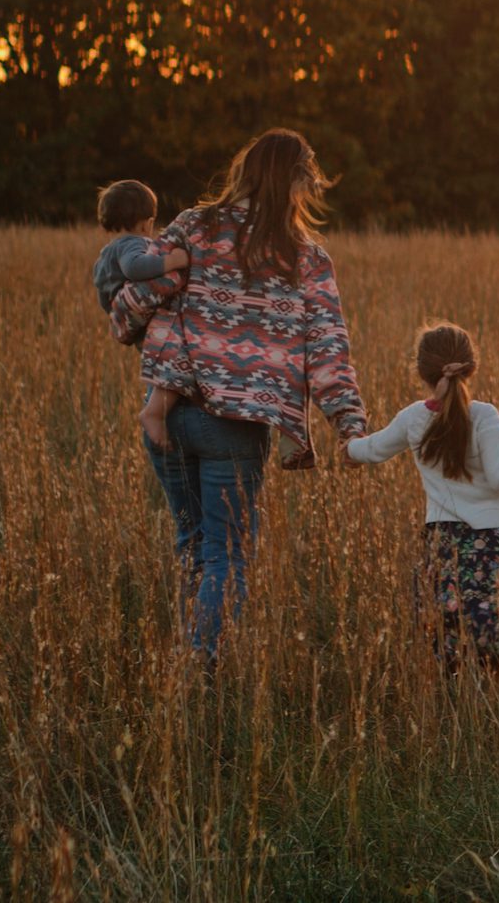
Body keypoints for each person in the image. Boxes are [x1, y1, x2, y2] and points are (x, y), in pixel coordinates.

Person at [110, 128, 369, 659]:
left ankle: (191, 654)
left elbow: (136, 299)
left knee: (193, 545)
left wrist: (126, 322)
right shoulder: (306, 259)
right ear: (298, 184)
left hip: (170, 413)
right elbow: (327, 350)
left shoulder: (194, 226)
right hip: (237, 426)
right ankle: (203, 666)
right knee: (227, 555)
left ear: (245, 173)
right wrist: (349, 424)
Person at [345, 323, 499, 669]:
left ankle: (458, 709)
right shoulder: (484, 415)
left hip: (445, 542)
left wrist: (348, 448)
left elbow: (371, 450)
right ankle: (495, 715)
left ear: (422, 370)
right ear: (471, 366)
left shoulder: (413, 418)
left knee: (453, 637)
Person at [92, 178, 190, 449]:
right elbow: (135, 268)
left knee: (164, 361)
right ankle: (154, 412)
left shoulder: (108, 249)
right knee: (176, 358)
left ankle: (157, 408)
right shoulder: (131, 244)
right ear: (147, 221)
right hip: (140, 318)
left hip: (129, 321)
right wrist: (174, 261)